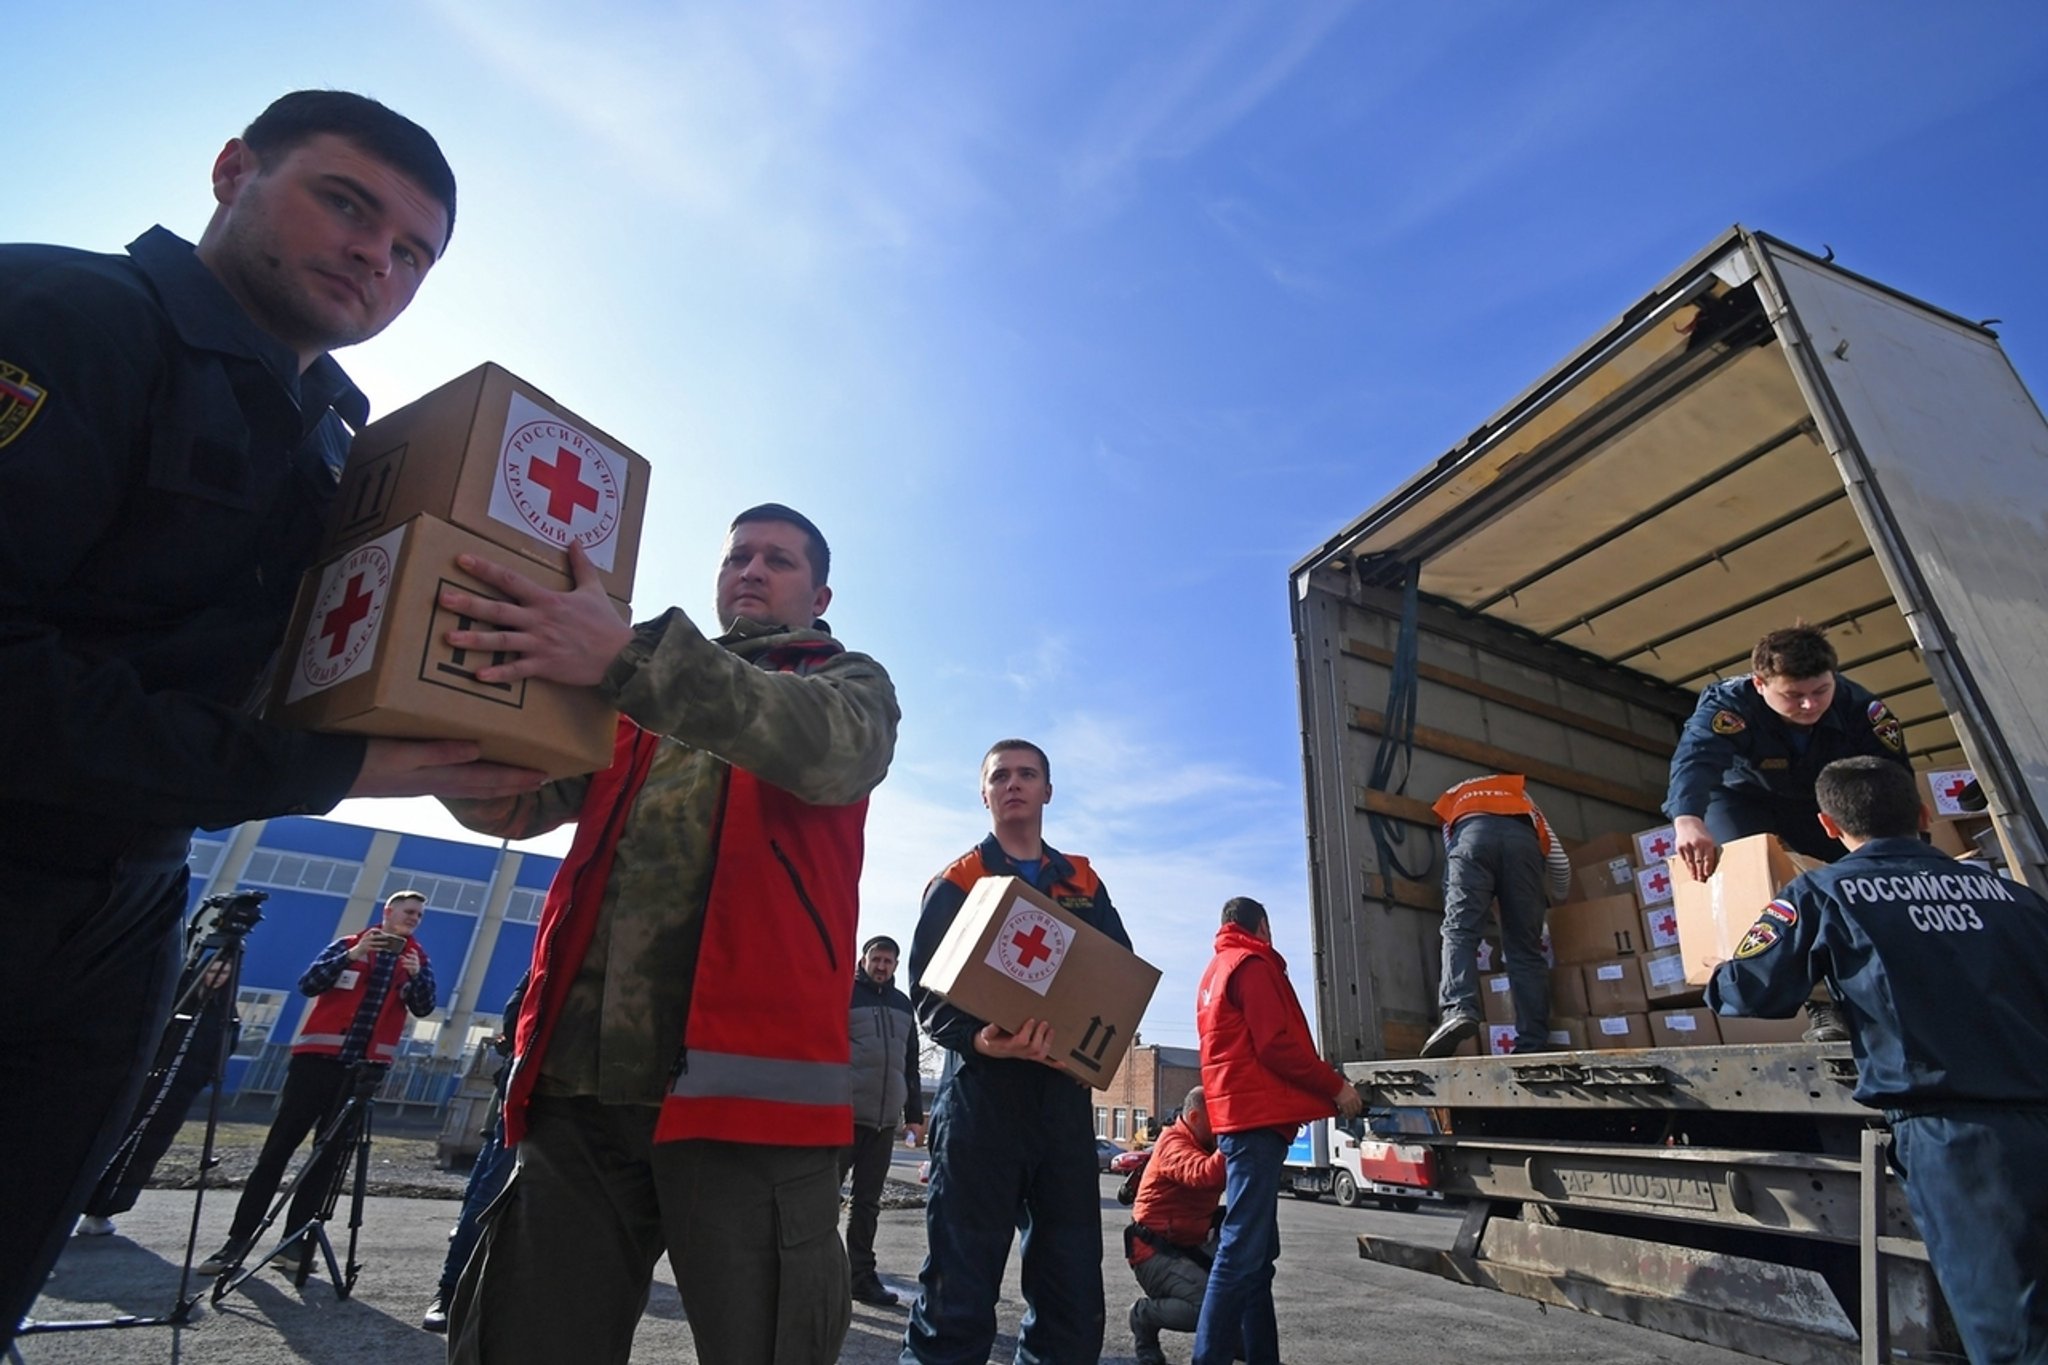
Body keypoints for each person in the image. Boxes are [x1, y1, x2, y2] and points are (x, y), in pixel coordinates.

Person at [0, 90, 543, 1345]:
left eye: (414, 251)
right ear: (232, 168)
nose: (378, 258)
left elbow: (341, 663)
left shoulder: (340, 449)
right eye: (346, 205)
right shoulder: (60, 319)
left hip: (125, 900)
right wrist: (334, 767)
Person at [433, 504, 899, 1365]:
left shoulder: (846, 682)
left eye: (778, 560)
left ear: (820, 591)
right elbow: (515, 798)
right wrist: (441, 686)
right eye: (737, 557)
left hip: (746, 1107)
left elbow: (828, 751)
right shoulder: (634, 696)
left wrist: (624, 657)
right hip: (579, 1090)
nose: (751, 571)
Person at [1707, 757, 2048, 1364]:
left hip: (1958, 1138)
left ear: (1828, 825)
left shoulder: (1823, 892)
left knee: (2009, 1331)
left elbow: (1751, 991)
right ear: (1922, 815)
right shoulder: (2014, 897)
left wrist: (1721, 969)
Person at [903, 739, 1130, 1365]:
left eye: (1027, 774)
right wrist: (981, 1038)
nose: (1014, 784)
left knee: (1071, 1297)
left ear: (1047, 791)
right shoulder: (958, 882)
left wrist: (1088, 1054)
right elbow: (926, 989)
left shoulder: (1083, 881)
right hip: (982, 1102)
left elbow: (1117, 979)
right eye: (1000, 776)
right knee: (956, 1297)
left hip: (1061, 1105)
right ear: (984, 793)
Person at [1666, 625, 1911, 1043]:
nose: (1809, 704)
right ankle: (1821, 1005)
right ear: (1760, 684)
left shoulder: (1861, 707)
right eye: (1793, 695)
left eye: (1820, 691)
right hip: (1743, 798)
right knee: (1775, 890)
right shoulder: (1729, 704)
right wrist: (1687, 817)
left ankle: (1880, 996)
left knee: (1845, 888)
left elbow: (1892, 778)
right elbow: (1696, 759)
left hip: (1822, 801)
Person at [200, 890, 436, 1274]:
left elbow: (424, 1007)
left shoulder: (417, 960)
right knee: (277, 1151)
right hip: (315, 1066)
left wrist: (416, 975)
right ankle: (236, 1243)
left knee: (325, 1162)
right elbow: (309, 984)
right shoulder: (347, 945)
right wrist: (353, 955)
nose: (414, 919)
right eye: (409, 912)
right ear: (388, 912)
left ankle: (294, 1246)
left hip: (362, 1073)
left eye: (420, 916)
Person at [1192, 897, 1364, 1365]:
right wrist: (1335, 1086)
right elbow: (1276, 1044)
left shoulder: (1215, 972)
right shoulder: (1253, 964)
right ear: (1262, 926)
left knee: (1256, 1257)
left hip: (1237, 1119)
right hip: (1256, 1123)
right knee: (1240, 1251)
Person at [75, 913, 245, 1237]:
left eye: (225, 971)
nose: (218, 976)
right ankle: (74, 1199)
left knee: (144, 1149)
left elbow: (222, 1051)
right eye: (213, 969)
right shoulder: (175, 995)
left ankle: (102, 1210)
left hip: (178, 1092)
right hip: (140, 1084)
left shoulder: (225, 1014)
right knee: (108, 1137)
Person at [1420, 774, 1571, 1058]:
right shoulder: (1523, 800)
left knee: (1459, 931)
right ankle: (1532, 1041)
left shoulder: (1455, 797)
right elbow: (1560, 860)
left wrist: (1485, 895)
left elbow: (1454, 855)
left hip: (1470, 838)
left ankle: (1458, 1010)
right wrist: (1562, 899)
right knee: (1525, 949)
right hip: (1524, 848)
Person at [421, 972, 528, 1333]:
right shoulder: (559, 938)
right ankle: (450, 1291)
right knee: (488, 1193)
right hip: (531, 1086)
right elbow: (516, 1014)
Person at [843, 934, 925, 1308]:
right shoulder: (842, 994)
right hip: (840, 1119)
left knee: (867, 1205)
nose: (882, 966)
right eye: (876, 959)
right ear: (863, 959)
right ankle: (818, 1274)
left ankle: (860, 1278)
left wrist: (914, 1119)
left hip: (882, 1126)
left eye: (889, 961)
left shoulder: (904, 1006)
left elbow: (910, 1065)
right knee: (820, 1201)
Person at [1126, 1087, 1226, 1365]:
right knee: (1207, 1308)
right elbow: (1205, 1175)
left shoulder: (1205, 1144)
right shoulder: (1173, 1143)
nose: (1222, 1126)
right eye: (1217, 1119)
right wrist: (1234, 1139)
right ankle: (1143, 1316)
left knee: (1240, 1282)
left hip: (1190, 1244)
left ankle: (1236, 1342)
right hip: (1154, 1252)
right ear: (1195, 1117)